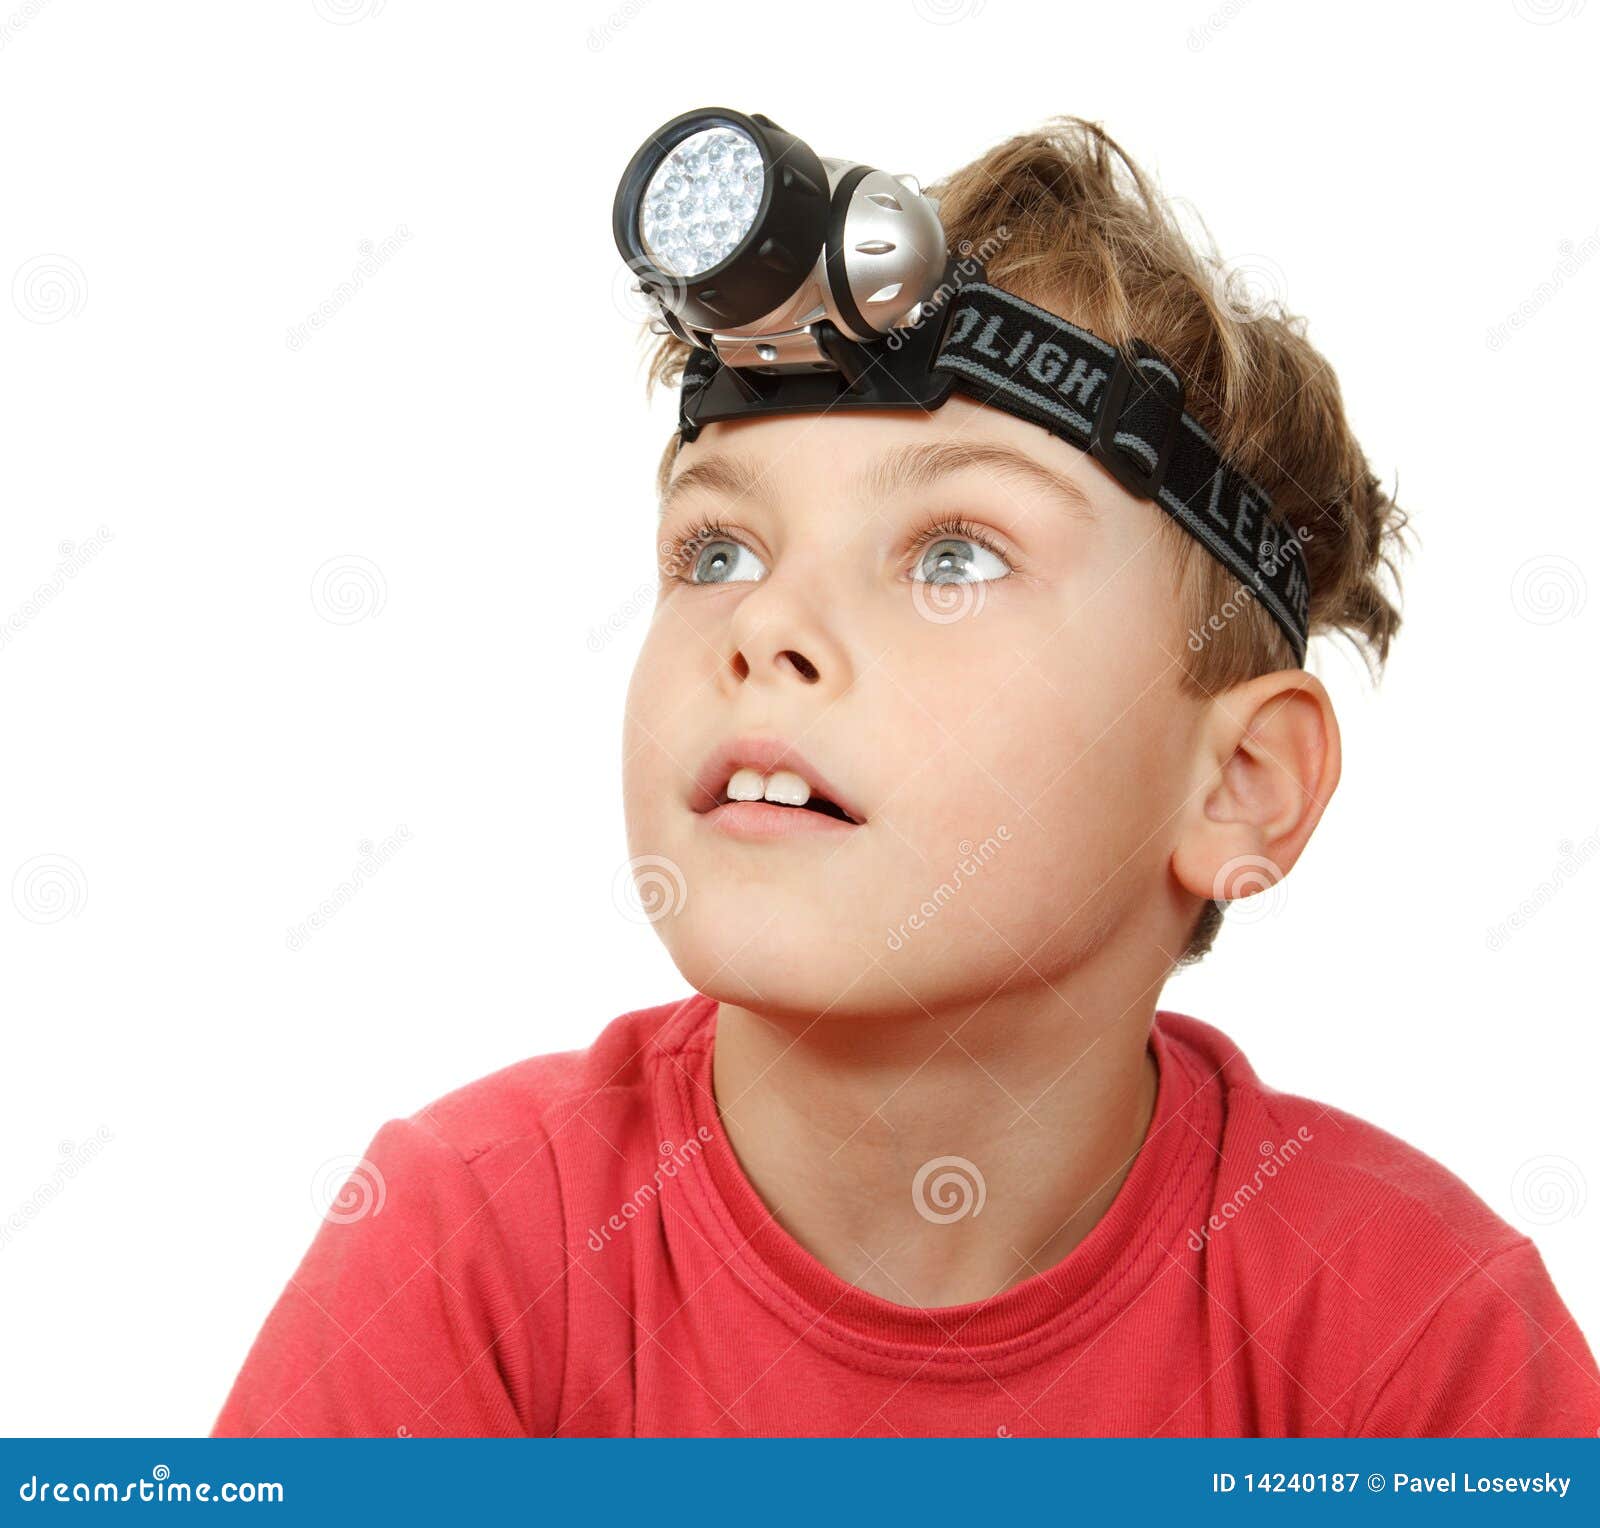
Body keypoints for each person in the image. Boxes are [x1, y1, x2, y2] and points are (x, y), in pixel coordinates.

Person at [211, 115, 1599, 1438]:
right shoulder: (474, 1246)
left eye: (953, 556)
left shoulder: (1414, 1337)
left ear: (1239, 780)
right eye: (718, 552)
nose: (768, 625)